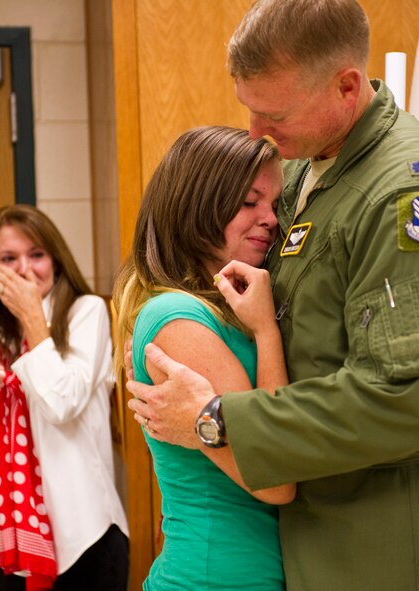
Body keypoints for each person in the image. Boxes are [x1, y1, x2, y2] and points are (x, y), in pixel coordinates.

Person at [124, 1, 419, 590]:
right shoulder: (303, 173)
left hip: (390, 534)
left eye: (274, 113)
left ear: (345, 87)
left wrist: (216, 420)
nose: (257, 133)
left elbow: (397, 401)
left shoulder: (407, 194)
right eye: (250, 111)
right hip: (314, 531)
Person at [112, 125, 295, 591]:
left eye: (275, 204)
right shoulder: (176, 315)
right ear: (196, 206)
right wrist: (266, 331)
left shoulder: (224, 304)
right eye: (249, 202)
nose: (270, 218)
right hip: (213, 578)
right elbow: (273, 474)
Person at [0, 204, 129, 591]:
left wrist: (33, 319)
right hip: (8, 543)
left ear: (55, 258)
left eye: (36, 255)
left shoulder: (87, 314)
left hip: (87, 535)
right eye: (8, 258)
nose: (24, 269)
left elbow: (61, 403)